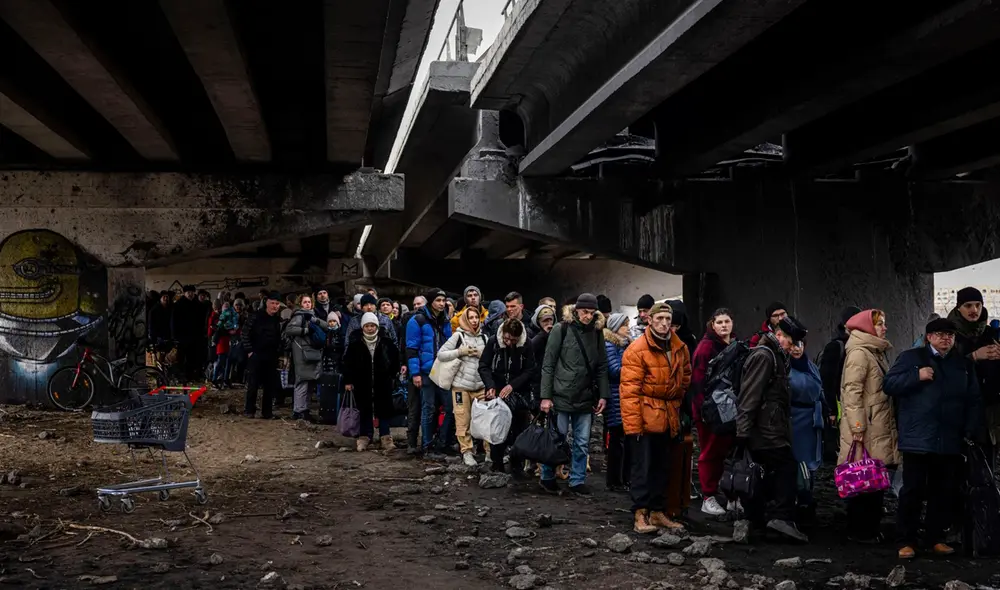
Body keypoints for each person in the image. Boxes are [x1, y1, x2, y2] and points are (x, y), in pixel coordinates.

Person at [885, 317, 982, 560]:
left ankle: (935, 538)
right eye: (939, 334)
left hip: (949, 438)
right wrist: (916, 376)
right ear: (928, 337)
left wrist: (968, 430)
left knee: (943, 492)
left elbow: (974, 399)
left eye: (950, 335)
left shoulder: (962, 365)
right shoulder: (911, 358)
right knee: (913, 491)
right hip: (918, 438)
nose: (945, 338)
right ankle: (905, 540)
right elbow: (889, 384)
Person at [736, 315, 809, 543]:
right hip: (765, 429)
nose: (793, 347)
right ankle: (779, 518)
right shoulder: (765, 356)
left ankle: (757, 521)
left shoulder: (773, 355)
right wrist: (743, 432)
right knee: (785, 467)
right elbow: (750, 395)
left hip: (768, 427)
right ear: (780, 336)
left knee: (764, 473)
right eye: (790, 341)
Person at [620, 302, 690, 533]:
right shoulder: (637, 349)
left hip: (669, 414)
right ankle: (641, 514)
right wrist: (633, 426)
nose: (664, 324)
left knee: (663, 466)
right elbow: (629, 391)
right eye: (659, 319)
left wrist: (678, 402)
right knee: (643, 467)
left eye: (668, 320)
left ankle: (658, 512)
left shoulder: (679, 347)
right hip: (645, 416)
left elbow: (685, 377)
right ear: (649, 320)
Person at [839, 309, 900, 544]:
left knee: (871, 479)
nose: (884, 328)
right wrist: (857, 426)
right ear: (867, 327)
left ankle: (867, 529)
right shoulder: (860, 354)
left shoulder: (873, 351)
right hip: (866, 428)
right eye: (880, 324)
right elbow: (851, 392)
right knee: (863, 479)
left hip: (874, 425)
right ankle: (861, 531)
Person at [539, 293, 609, 495]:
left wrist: (603, 395)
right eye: (584, 312)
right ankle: (548, 476)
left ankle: (577, 480)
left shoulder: (597, 333)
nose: (587, 316)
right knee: (556, 440)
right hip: (560, 395)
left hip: (585, 396)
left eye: (591, 312)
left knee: (581, 442)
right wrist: (546, 396)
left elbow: (602, 366)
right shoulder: (561, 329)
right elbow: (549, 364)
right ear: (576, 310)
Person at [691, 308, 737, 516]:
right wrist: (703, 411)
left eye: (726, 321)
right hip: (710, 410)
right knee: (710, 452)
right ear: (712, 324)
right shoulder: (705, 348)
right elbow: (698, 382)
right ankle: (708, 496)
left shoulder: (734, 346)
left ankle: (730, 496)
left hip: (729, 408)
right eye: (719, 322)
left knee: (728, 453)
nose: (724, 326)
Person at [948, 287, 1000, 464]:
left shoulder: (990, 334)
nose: (974, 310)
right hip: (959, 409)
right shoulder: (948, 334)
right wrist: (975, 356)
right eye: (968, 305)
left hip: (989, 411)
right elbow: (943, 368)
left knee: (986, 467)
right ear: (958, 307)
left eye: (978, 305)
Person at [480, 318, 536, 475]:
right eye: (506, 339)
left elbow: (530, 370)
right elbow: (483, 365)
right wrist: (490, 385)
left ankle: (516, 465)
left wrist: (513, 385)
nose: (509, 342)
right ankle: (497, 464)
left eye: (513, 340)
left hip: (519, 393)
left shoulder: (527, 344)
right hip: (497, 391)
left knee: (519, 430)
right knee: (497, 430)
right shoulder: (493, 342)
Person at [437, 307, 488, 467]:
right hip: (460, 387)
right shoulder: (458, 336)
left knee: (486, 421)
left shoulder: (485, 338)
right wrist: (460, 351)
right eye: (471, 317)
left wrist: (482, 354)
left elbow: (492, 359)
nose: (474, 320)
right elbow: (441, 354)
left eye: (476, 317)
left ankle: (489, 453)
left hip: (480, 386)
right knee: (462, 420)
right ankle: (466, 452)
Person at [407, 288, 454, 457]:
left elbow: (449, 344)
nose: (441, 304)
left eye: (443, 300)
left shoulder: (445, 320)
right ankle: (427, 446)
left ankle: (442, 442)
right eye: (438, 300)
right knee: (428, 408)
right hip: (426, 371)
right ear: (430, 302)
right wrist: (415, 373)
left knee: (449, 407)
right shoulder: (417, 320)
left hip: (443, 370)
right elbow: (411, 348)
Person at [344, 312, 401, 451]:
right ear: (363, 327)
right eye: (367, 326)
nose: (370, 328)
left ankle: (385, 437)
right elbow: (347, 363)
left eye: (373, 325)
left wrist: (393, 374)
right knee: (364, 409)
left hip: (383, 381)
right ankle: (364, 436)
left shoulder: (386, 342)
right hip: (362, 381)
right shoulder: (355, 344)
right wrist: (348, 380)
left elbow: (395, 359)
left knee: (384, 409)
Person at [788, 338, 826, 522]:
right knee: (795, 460)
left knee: (810, 462)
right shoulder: (784, 367)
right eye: (793, 345)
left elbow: (819, 391)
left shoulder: (810, 365)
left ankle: (806, 500)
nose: (797, 349)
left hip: (811, 419)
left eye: (800, 344)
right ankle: (796, 500)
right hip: (794, 418)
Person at [818, 306, 862, 462]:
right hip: (838, 406)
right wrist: (830, 410)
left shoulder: (857, 347)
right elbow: (827, 380)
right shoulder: (836, 347)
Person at [283, 294, 329, 422]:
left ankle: (304, 409)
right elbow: (289, 330)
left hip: (310, 353)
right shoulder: (299, 316)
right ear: (300, 304)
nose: (308, 304)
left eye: (309, 302)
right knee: (302, 383)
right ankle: (299, 410)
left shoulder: (313, 316)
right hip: (303, 354)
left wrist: (317, 322)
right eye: (305, 302)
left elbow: (327, 326)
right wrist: (306, 330)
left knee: (310, 383)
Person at [243, 292, 283, 419]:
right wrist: (250, 351)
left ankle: (267, 412)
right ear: (267, 303)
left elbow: (280, 338)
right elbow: (244, 334)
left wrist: (280, 354)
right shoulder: (255, 316)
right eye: (272, 303)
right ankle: (249, 410)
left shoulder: (278, 320)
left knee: (270, 385)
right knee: (253, 384)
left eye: (277, 304)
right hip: (256, 354)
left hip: (272, 356)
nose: (275, 306)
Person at [603, 312, 631, 491]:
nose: (627, 329)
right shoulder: (610, 345)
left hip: (620, 396)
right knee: (616, 440)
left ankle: (619, 479)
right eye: (624, 325)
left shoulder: (621, 345)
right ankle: (615, 480)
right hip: (616, 397)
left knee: (619, 440)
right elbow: (615, 370)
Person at [171, 285, 204, 383]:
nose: (190, 294)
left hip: (194, 336)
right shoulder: (178, 304)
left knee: (192, 357)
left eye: (192, 292)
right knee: (181, 358)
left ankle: (191, 376)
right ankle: (181, 376)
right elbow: (173, 321)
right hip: (182, 336)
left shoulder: (197, 304)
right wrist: (174, 336)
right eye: (188, 292)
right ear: (184, 293)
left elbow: (201, 321)